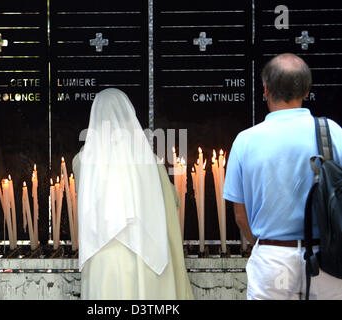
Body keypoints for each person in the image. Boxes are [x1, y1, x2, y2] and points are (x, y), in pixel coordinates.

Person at [223, 53, 342, 300]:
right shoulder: (333, 132)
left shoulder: (246, 140)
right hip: (329, 260)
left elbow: (240, 215)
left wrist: (268, 246)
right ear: (307, 91)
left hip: (272, 260)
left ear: (265, 89)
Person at [72, 88, 194, 300]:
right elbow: (172, 203)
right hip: (145, 255)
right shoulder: (150, 162)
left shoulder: (81, 162)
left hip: (101, 259)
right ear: (130, 116)